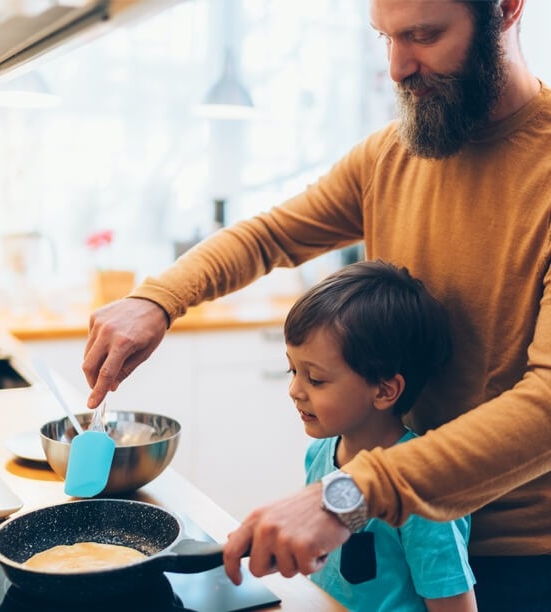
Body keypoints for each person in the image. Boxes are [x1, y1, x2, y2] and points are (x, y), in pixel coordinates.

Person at [82, 1, 551, 608]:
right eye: (385, 38)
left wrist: (351, 491)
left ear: (507, 9)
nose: (398, 67)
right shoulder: (390, 155)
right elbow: (269, 235)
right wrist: (159, 298)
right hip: (384, 525)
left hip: (515, 563)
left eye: (425, 35)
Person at [285, 260, 476, 611]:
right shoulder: (321, 453)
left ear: (385, 391)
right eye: (292, 369)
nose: (294, 390)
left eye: (315, 378)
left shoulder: (421, 490)